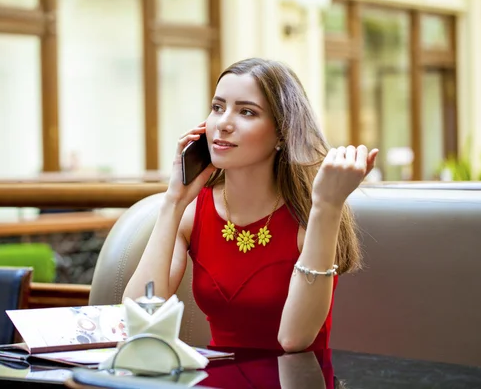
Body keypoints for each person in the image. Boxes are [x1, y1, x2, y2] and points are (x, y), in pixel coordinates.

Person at [123, 58, 378, 364]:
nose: (224, 123)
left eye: (246, 112)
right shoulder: (193, 211)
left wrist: (328, 205)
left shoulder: (310, 215)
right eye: (218, 107)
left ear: (283, 133)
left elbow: (294, 339)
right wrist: (173, 201)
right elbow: (138, 315)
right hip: (217, 381)